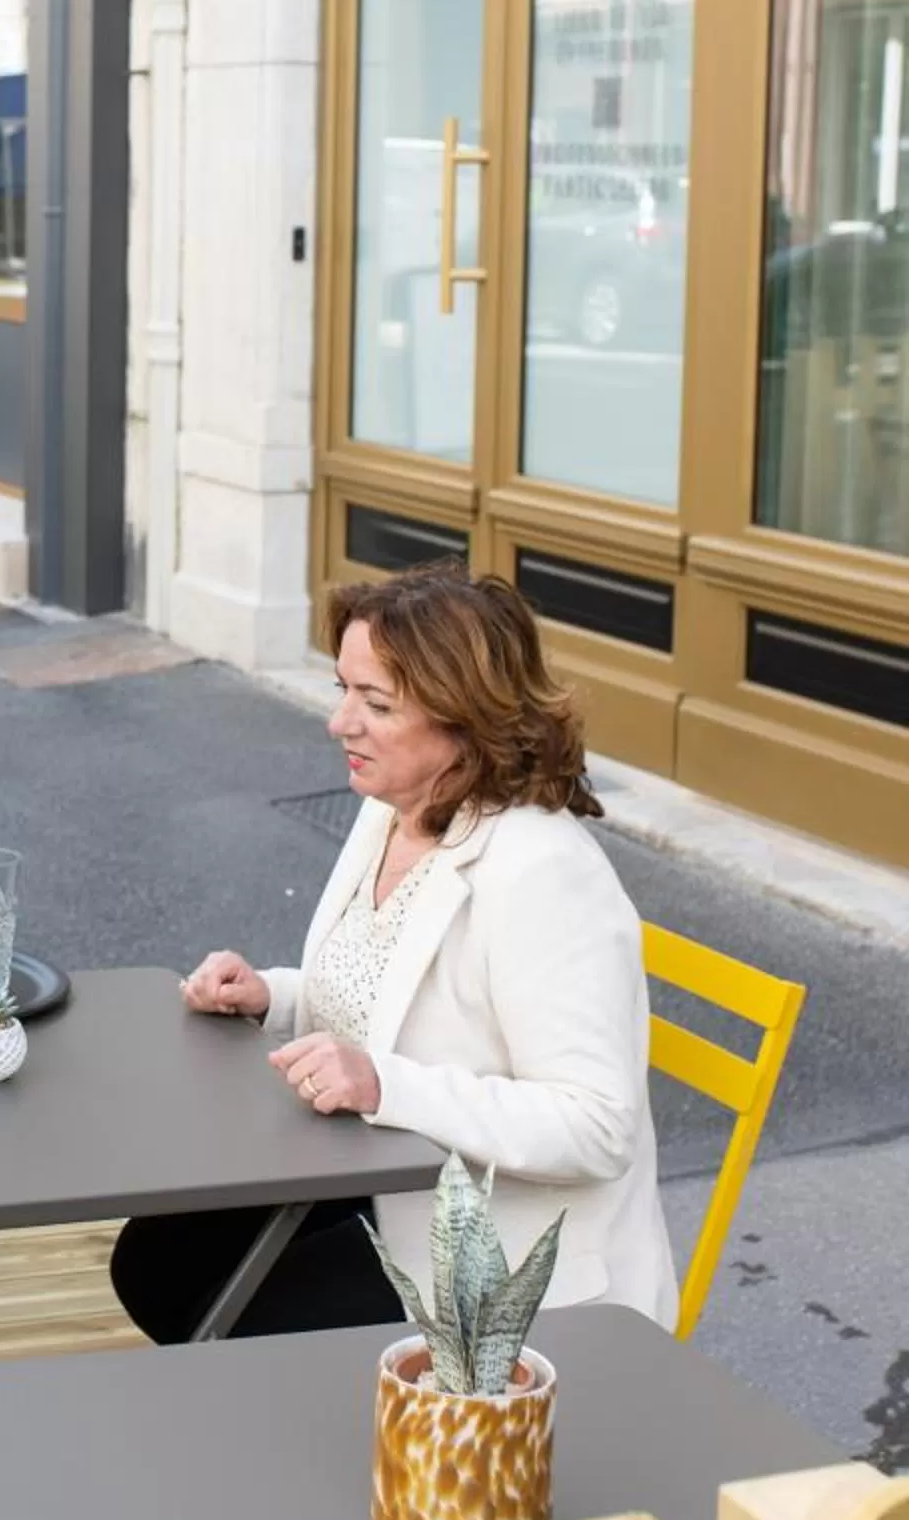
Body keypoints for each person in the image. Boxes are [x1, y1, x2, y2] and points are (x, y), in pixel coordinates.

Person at [111, 562, 677, 1344]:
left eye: (374, 703)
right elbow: (392, 997)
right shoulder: (398, 809)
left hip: (497, 1258)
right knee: (160, 1257)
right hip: (386, 1184)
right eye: (343, 689)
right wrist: (272, 997)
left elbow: (596, 1127)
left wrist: (383, 1084)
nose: (339, 723)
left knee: (232, 1312)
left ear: (464, 717)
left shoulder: (545, 873)